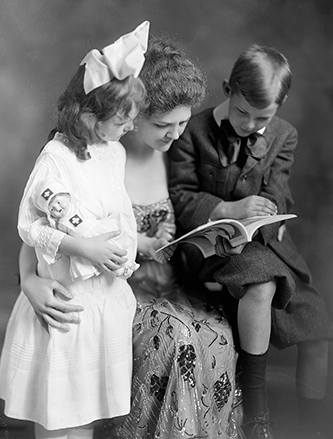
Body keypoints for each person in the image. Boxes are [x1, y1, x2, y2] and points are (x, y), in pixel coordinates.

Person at [19, 37, 242, 439]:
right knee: (176, 335)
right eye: (162, 125)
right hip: (108, 292)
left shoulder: (177, 155)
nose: (175, 134)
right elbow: (39, 230)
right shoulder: (86, 156)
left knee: (217, 333)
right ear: (133, 115)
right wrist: (30, 281)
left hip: (162, 284)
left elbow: (192, 211)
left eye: (182, 124)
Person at [169, 44, 332, 439]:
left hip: (265, 246)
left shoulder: (283, 135)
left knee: (316, 322)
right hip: (211, 248)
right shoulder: (193, 130)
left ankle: (312, 425)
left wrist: (269, 211)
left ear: (281, 106)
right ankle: (256, 414)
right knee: (261, 281)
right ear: (228, 89)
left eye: (263, 117)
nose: (249, 124)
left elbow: (279, 193)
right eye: (242, 112)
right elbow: (180, 195)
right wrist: (229, 210)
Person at [0, 21, 149, 439]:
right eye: (123, 120)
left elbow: (114, 213)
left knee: (86, 413)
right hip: (68, 305)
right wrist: (84, 247)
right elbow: (31, 228)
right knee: (59, 415)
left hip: (103, 303)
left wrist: (127, 245)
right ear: (89, 116)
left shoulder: (112, 152)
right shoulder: (56, 159)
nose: (130, 128)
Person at [36, 183, 139, 280]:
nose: (57, 207)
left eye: (58, 202)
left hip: (97, 230)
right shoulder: (61, 224)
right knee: (103, 258)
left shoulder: (80, 207)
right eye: (52, 209)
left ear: (67, 197)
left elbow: (96, 211)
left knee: (114, 246)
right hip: (86, 241)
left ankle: (128, 263)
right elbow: (63, 238)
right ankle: (118, 270)